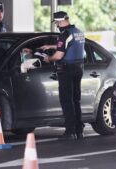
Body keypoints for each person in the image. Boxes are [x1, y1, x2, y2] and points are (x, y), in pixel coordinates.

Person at [41, 11, 85, 140]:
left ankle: (70, 132)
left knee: (66, 100)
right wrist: (51, 45)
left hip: (67, 70)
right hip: (79, 68)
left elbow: (59, 55)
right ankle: (79, 129)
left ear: (59, 21)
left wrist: (48, 59)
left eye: (56, 23)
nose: (56, 25)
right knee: (76, 99)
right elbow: (70, 45)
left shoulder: (64, 34)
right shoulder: (78, 32)